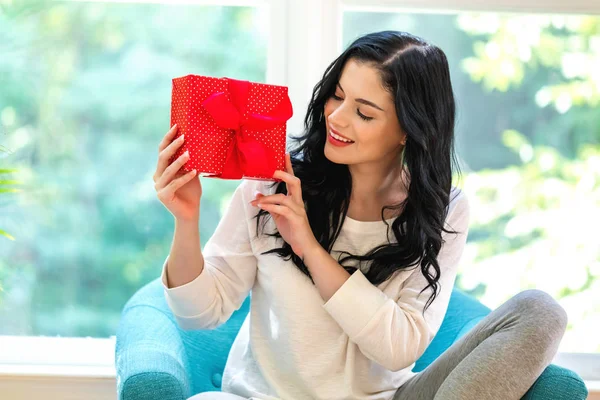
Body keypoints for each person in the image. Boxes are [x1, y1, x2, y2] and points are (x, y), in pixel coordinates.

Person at [152, 31, 568, 400]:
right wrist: (186, 220)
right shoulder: (274, 181)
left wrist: (309, 249)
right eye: (337, 94)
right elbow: (199, 314)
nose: (335, 117)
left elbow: (399, 348)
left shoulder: (444, 208)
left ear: (409, 129)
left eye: (364, 112)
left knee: (540, 310)